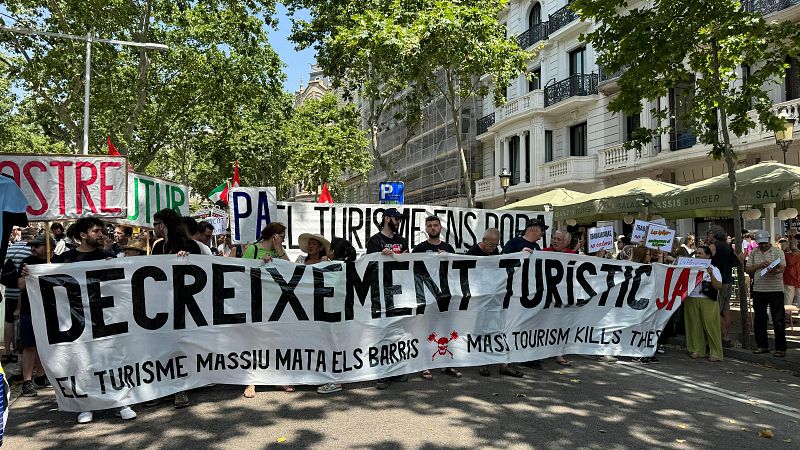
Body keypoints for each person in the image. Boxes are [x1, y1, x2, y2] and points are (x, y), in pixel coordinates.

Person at [49, 218, 135, 422]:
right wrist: (30, 273)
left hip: (106, 316)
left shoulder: (106, 255)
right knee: (82, 361)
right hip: (78, 318)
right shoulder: (66, 258)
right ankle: (86, 405)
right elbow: (48, 281)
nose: (101, 234)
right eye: (96, 231)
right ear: (82, 235)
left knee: (112, 359)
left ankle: (121, 402)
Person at [146, 209, 201, 409]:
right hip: (160, 304)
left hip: (184, 303)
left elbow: (200, 273)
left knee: (180, 346)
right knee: (162, 346)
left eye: (155, 224)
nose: (153, 228)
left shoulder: (190, 246)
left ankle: (181, 389)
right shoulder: (158, 247)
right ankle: (164, 388)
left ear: (163, 225)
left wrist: (187, 261)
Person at [241, 222, 291, 397]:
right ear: (274, 235)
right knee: (254, 341)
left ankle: (277, 378)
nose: (284, 239)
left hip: (275, 301)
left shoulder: (279, 251)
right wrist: (260, 264)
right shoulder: (252, 249)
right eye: (282, 236)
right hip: (255, 301)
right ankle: (251, 382)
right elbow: (242, 273)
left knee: (276, 341)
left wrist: (279, 250)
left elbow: (291, 270)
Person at [467, 229, 524, 378]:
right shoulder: (472, 252)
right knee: (481, 330)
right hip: (479, 299)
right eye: (491, 244)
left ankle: (504, 364)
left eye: (496, 245)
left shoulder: (496, 252)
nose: (493, 248)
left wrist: (522, 254)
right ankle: (482, 363)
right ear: (483, 240)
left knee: (499, 328)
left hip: (496, 299)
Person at [366, 208, 409, 389]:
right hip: (380, 291)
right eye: (395, 218)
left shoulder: (402, 240)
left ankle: (395, 368)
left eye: (400, 219)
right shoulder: (375, 241)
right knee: (381, 332)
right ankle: (382, 372)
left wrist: (393, 256)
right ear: (386, 219)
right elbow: (370, 265)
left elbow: (408, 261)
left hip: (399, 292)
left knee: (396, 331)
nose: (398, 221)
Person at [412, 216, 460, 379]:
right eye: (430, 226)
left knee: (446, 329)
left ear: (440, 228)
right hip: (426, 297)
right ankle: (424, 365)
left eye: (435, 225)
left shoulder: (448, 248)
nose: (433, 228)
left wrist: (449, 257)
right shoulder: (419, 248)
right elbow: (412, 270)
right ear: (426, 229)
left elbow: (456, 270)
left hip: (445, 296)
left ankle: (447, 364)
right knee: (427, 330)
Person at [502, 219, 548, 370]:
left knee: (528, 324)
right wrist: (518, 255)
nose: (542, 234)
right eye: (542, 230)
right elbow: (501, 262)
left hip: (530, 291)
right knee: (514, 324)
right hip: (514, 292)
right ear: (534, 229)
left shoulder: (536, 246)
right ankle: (507, 356)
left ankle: (525, 356)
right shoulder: (514, 243)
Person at [317, 237, 358, 395]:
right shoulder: (351, 266)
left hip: (333, 313)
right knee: (340, 344)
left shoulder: (329, 267)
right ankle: (338, 377)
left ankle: (335, 380)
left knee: (334, 344)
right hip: (345, 312)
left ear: (332, 252)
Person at [16, 233, 54, 397]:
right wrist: (25, 276)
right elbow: (21, 286)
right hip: (29, 309)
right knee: (29, 345)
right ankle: (27, 381)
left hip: (51, 309)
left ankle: (41, 377)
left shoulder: (58, 261)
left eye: (37, 246)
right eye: (32, 246)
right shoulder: (27, 263)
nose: (33, 249)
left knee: (47, 344)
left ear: (48, 247)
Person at [746, 230, 787, 357]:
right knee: (759, 319)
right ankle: (762, 345)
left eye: (764, 243)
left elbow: (782, 268)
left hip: (775, 289)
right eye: (760, 244)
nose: (762, 245)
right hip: (759, 289)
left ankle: (780, 348)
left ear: (768, 240)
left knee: (778, 319)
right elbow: (748, 269)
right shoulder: (754, 252)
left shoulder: (777, 251)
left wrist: (773, 269)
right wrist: (759, 265)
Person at [1, 227, 36, 364]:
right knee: (26, 322)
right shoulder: (30, 251)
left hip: (10, 291)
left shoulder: (8, 249)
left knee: (9, 321)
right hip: (25, 293)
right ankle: (20, 352)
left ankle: (6, 352)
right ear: (32, 237)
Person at [684, 246, 724, 361]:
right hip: (691, 298)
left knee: (711, 326)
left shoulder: (714, 269)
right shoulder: (690, 268)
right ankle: (696, 349)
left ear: (707, 256)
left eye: (700, 253)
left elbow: (718, 286)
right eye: (696, 253)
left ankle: (716, 352)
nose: (697, 255)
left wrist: (711, 274)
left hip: (708, 300)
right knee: (694, 325)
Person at [542, 229, 574, 367]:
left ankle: (558, 353)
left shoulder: (573, 255)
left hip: (562, 298)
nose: (555, 241)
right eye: (554, 238)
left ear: (567, 242)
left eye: (559, 239)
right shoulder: (544, 252)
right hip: (545, 296)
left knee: (560, 325)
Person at [706, 225, 736, 347]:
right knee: (726, 309)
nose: (707, 236)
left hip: (718, 281)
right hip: (728, 280)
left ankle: (724, 337)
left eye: (709, 234)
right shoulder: (727, 246)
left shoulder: (713, 246)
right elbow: (735, 261)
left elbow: (706, 260)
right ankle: (727, 336)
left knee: (715, 311)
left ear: (713, 234)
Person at [783, 230, 800, 314]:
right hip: (792, 277)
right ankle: (787, 316)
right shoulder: (785, 247)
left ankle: (787, 316)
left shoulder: (786, 252)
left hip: (789, 278)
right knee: (789, 297)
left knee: (788, 298)